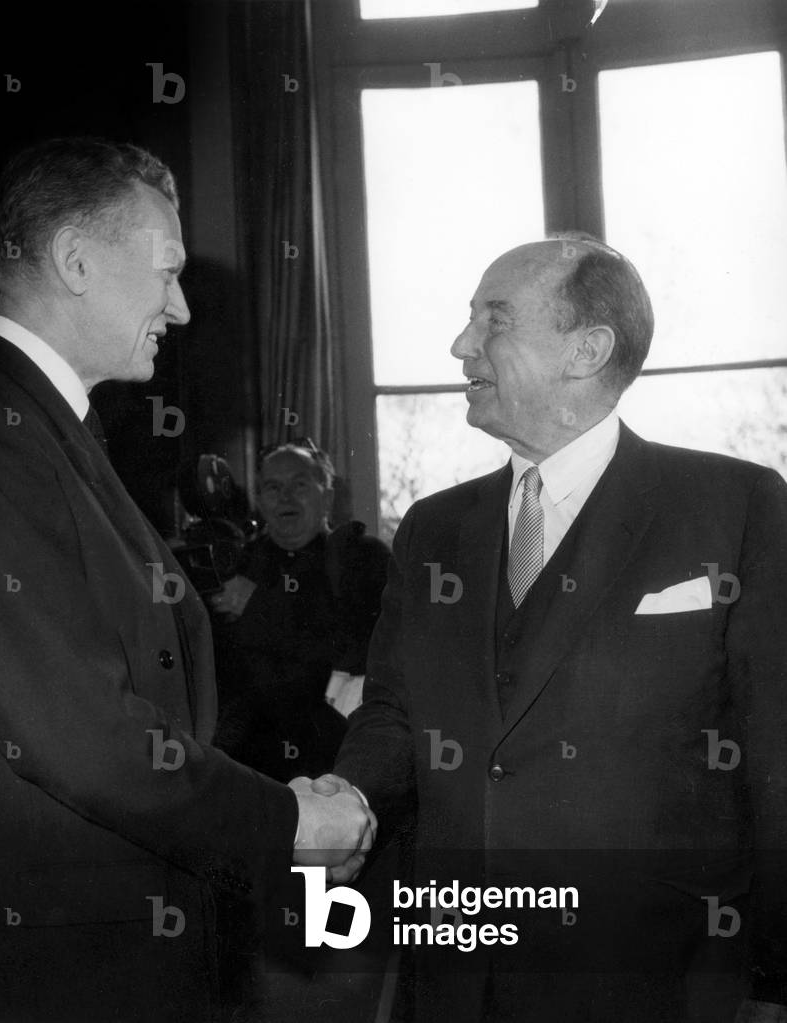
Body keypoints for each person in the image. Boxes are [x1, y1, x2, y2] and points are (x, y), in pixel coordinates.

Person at [0, 137, 374, 1022]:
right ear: (75, 261)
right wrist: (285, 824)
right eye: (167, 271)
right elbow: (83, 735)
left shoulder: (43, 428)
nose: (179, 307)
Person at [315, 237, 787, 1022]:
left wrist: (774, 978)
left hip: (663, 979)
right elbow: (394, 711)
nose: (461, 344)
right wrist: (346, 794)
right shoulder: (432, 529)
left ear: (588, 349)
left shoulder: (735, 507)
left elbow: (778, 753)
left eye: (492, 319)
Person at [210, 442, 390, 782]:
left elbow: (362, 651)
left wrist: (260, 608)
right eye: (272, 488)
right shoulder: (237, 565)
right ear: (260, 501)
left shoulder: (361, 558)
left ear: (327, 496)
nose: (285, 497)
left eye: (300, 484)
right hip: (250, 768)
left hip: (336, 763)